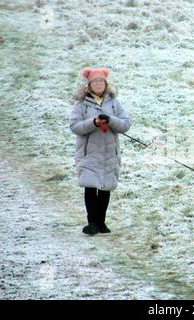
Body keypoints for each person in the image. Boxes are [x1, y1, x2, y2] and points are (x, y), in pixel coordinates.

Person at [69, 67, 131, 235]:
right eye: (94, 81)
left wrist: (110, 120)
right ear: (89, 85)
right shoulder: (81, 104)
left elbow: (125, 124)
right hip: (89, 153)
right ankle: (92, 223)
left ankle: (101, 222)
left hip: (110, 152)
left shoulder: (114, 102)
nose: (98, 84)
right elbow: (74, 126)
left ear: (105, 83)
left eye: (100, 81)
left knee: (105, 187)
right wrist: (93, 122)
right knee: (90, 186)